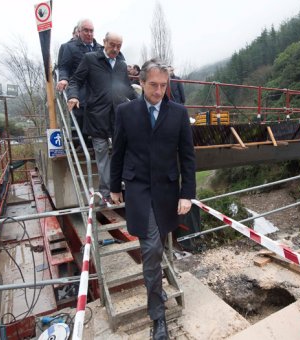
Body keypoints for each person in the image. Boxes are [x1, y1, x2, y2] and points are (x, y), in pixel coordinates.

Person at [109, 59, 196, 340]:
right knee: (151, 248)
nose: (159, 91)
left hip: (168, 190)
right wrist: (114, 186)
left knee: (157, 247)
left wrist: (187, 193)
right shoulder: (125, 112)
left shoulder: (179, 114)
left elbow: (187, 157)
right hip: (138, 189)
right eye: (153, 85)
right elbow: (118, 151)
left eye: (163, 85)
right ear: (142, 83)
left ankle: (156, 286)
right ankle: (158, 317)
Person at [67, 32, 137, 201]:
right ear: (104, 42)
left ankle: (121, 186)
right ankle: (106, 193)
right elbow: (76, 80)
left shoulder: (121, 65)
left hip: (118, 116)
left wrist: (142, 102)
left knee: (121, 152)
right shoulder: (90, 59)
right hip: (97, 115)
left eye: (119, 46)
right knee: (102, 154)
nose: (115, 49)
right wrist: (73, 96)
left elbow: (127, 88)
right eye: (112, 44)